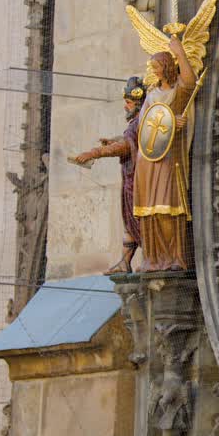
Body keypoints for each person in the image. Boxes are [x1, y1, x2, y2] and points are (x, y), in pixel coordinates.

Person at [133, 33, 197, 271]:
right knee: (149, 211)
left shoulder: (178, 92)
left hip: (170, 158)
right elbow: (145, 128)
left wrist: (179, 51)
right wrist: (172, 120)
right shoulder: (151, 96)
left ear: (168, 67)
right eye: (153, 67)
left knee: (167, 206)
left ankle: (174, 257)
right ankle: (153, 258)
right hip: (149, 159)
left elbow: (190, 83)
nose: (155, 71)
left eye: (158, 66)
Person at [71, 76, 146, 273]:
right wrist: (113, 141)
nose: (125, 107)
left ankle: (146, 259)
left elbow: (126, 146)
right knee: (130, 222)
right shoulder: (137, 122)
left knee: (138, 221)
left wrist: (94, 153)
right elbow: (126, 141)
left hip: (139, 183)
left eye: (128, 103)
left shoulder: (141, 122)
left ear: (137, 104)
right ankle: (124, 262)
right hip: (132, 180)